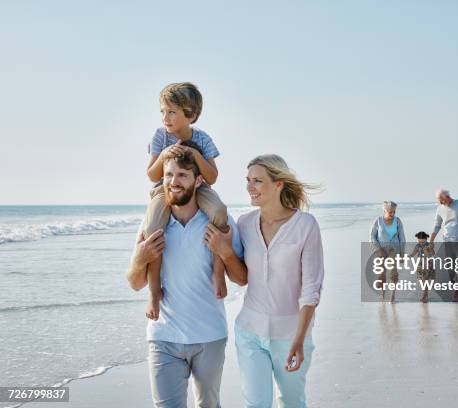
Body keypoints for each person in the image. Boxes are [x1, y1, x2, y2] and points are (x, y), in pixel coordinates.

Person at [125, 148, 245, 408]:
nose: (173, 181)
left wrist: (224, 251)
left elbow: (241, 278)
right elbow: (135, 283)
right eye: (168, 175)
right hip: (163, 336)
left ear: (198, 180)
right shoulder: (153, 224)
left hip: (209, 335)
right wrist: (140, 257)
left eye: (182, 175)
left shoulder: (219, 222)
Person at [205, 154, 324, 408]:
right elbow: (242, 278)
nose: (250, 187)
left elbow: (311, 289)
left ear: (278, 184)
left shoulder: (305, 225)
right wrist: (224, 252)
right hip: (249, 331)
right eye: (248, 180)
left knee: (292, 402)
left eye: (257, 181)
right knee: (256, 404)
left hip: (291, 335)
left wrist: (299, 340)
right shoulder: (245, 223)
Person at [142, 82, 229, 321]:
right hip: (164, 190)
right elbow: (151, 174)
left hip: (198, 187)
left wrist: (196, 156)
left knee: (220, 212)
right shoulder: (160, 136)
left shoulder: (202, 138)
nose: (165, 117)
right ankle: (153, 292)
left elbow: (212, 176)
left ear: (190, 114)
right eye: (162, 111)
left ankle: (218, 274)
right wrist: (163, 156)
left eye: (171, 112)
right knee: (151, 230)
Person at [370, 201, 406, 303]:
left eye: (394, 212)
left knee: (393, 272)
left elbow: (402, 237)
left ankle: (392, 296)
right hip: (381, 250)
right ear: (384, 210)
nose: (392, 214)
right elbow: (372, 236)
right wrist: (377, 248)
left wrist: (402, 254)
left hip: (393, 250)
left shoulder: (398, 221)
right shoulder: (378, 221)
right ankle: (382, 293)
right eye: (390, 212)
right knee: (381, 273)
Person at [409, 231, 436, 303]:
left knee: (425, 279)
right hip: (420, 264)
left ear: (426, 239)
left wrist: (429, 250)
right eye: (420, 242)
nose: (421, 243)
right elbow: (413, 253)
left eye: (423, 242)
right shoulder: (417, 245)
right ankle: (425, 294)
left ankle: (424, 296)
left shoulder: (428, 245)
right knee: (421, 280)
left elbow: (433, 253)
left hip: (428, 263)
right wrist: (407, 257)